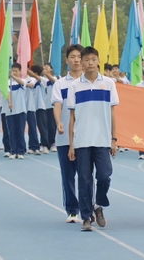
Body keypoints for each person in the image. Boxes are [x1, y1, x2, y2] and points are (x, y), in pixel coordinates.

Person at [67, 47, 119, 232]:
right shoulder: (74, 86)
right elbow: (72, 117)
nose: (89, 63)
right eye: (86, 59)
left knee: (104, 175)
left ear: (98, 61)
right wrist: (71, 144)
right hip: (82, 141)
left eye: (93, 59)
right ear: (81, 61)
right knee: (84, 180)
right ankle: (86, 217)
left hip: (103, 140)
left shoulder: (109, 83)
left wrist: (113, 139)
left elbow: (113, 113)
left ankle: (99, 203)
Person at [52, 44, 84, 223]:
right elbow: (57, 104)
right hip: (65, 138)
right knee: (68, 176)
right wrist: (59, 122)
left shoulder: (89, 82)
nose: (77, 60)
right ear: (67, 60)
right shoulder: (60, 84)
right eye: (73, 57)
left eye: (79, 56)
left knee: (86, 176)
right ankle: (72, 210)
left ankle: (87, 207)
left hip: (86, 137)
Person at [7, 63, 28, 159]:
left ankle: (21, 151)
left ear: (20, 72)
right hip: (10, 111)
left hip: (20, 110)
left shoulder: (23, 81)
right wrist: (9, 102)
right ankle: (13, 151)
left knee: (20, 131)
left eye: (16, 71)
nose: (14, 72)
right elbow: (7, 93)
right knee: (12, 131)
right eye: (13, 70)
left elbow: (20, 82)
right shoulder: (8, 82)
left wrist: (13, 76)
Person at [30, 65, 51, 154]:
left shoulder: (43, 80)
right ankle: (32, 145)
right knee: (32, 127)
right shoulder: (30, 80)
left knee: (42, 127)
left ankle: (45, 145)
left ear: (35, 73)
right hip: (31, 107)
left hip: (41, 106)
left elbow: (37, 78)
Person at [23, 66, 43, 155]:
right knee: (20, 128)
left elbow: (31, 85)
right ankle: (22, 147)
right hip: (21, 107)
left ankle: (34, 147)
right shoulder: (20, 79)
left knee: (32, 127)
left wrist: (21, 82)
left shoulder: (32, 79)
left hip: (30, 107)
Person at [42, 63, 58, 152]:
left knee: (52, 125)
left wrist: (46, 74)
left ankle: (53, 143)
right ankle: (45, 143)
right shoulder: (42, 79)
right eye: (44, 67)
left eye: (47, 67)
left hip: (52, 105)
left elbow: (52, 79)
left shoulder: (55, 78)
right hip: (44, 105)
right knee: (45, 125)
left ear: (51, 69)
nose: (45, 68)